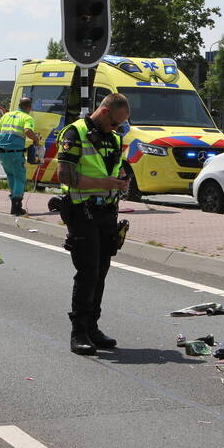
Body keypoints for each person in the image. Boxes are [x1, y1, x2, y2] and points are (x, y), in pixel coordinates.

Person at [56, 93, 131, 356]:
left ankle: (93, 327)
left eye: (121, 125)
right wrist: (105, 184)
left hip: (107, 212)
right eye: (115, 123)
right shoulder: (75, 133)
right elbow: (65, 175)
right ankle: (79, 332)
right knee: (87, 271)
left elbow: (116, 168)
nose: (117, 128)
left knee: (101, 270)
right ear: (104, 112)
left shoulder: (114, 137)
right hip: (82, 211)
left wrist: (123, 180)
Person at [0, 98, 41, 215]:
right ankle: (17, 206)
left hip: (1, 152)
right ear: (29, 107)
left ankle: (14, 205)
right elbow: (28, 131)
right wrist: (36, 140)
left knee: (11, 176)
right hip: (15, 152)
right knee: (20, 177)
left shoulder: (7, 115)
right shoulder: (27, 118)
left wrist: (3, 140)